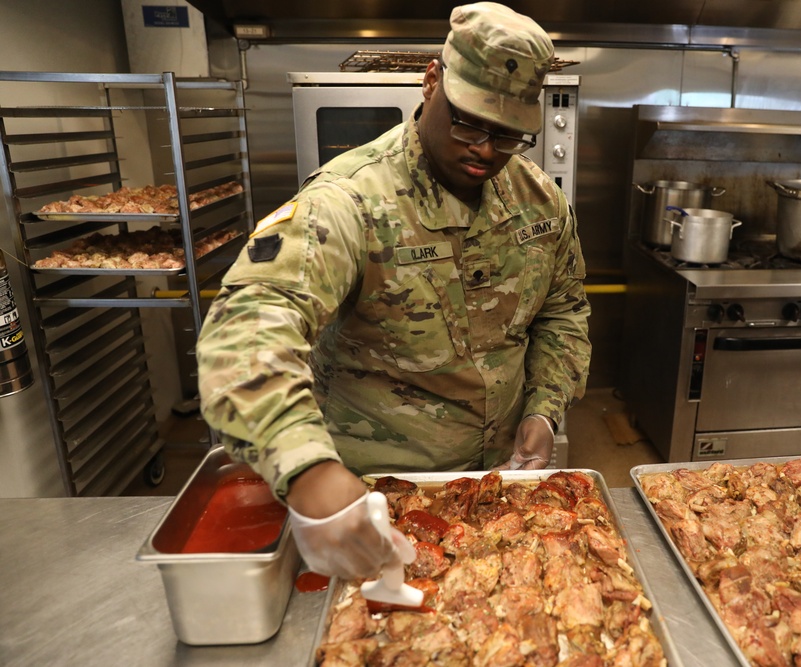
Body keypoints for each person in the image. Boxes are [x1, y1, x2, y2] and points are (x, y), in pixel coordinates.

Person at [195, 1, 591, 581]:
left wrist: (545, 410)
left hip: (501, 482)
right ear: (432, 81)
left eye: (508, 135)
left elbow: (563, 313)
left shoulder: (540, 202)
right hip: (375, 495)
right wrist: (306, 470)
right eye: (469, 122)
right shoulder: (349, 200)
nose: (486, 149)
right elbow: (249, 326)